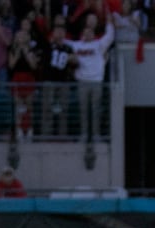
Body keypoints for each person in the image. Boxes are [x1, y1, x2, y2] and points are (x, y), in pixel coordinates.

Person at [70, 8, 114, 144]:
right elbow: (60, 42)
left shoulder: (99, 45)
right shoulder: (76, 46)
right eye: (85, 32)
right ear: (82, 34)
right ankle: (84, 135)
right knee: (83, 111)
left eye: (90, 32)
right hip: (82, 82)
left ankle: (95, 135)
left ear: (93, 34)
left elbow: (110, 35)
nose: (88, 33)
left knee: (95, 110)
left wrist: (109, 21)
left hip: (96, 82)